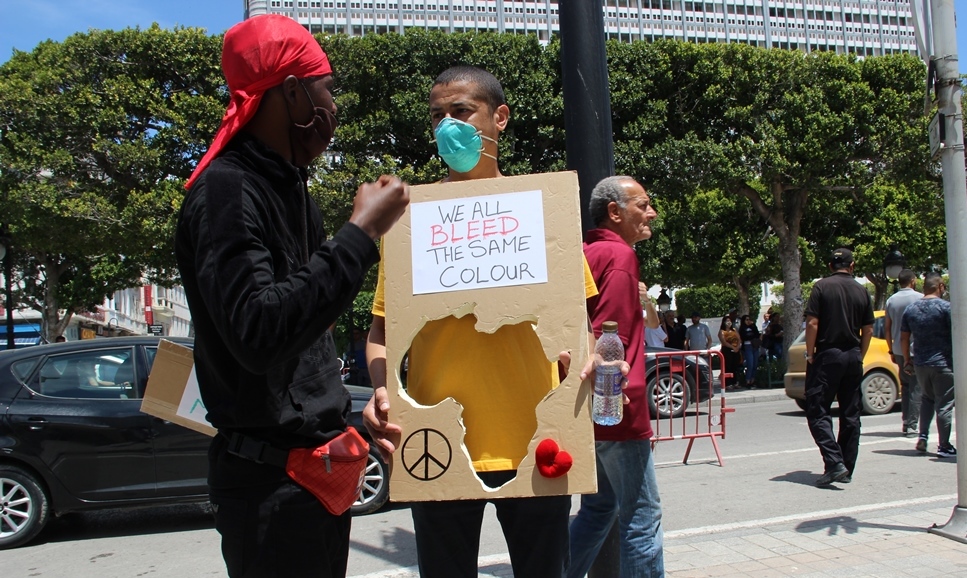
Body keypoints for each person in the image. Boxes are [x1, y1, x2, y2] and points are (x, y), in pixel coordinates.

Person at [174, 15, 409, 578]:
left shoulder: (292, 191)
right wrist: (359, 236)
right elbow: (259, 334)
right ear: (293, 91)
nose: (333, 105)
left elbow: (301, 338)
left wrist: (357, 410)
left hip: (314, 478)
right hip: (270, 491)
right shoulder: (227, 190)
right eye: (325, 87)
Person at [363, 65, 597, 578]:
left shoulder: (543, 213)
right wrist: (381, 390)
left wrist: (593, 362)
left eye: (461, 111)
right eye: (437, 115)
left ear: (500, 119)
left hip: (537, 442)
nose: (448, 125)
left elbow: (580, 324)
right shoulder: (410, 223)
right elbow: (382, 332)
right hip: (436, 442)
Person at [569, 175, 664, 578]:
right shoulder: (619, 257)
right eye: (642, 204)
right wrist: (612, 402)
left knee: (598, 507)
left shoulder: (584, 253)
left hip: (589, 403)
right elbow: (612, 334)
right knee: (642, 515)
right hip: (616, 405)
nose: (651, 213)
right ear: (615, 212)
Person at [804, 248, 874, 486]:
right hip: (852, 355)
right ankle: (846, 466)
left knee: (817, 409)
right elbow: (869, 330)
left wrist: (810, 353)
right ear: (852, 266)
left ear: (830, 265)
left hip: (827, 355)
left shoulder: (821, 287)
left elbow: (812, 323)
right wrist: (860, 355)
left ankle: (834, 462)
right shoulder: (862, 290)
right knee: (850, 414)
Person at [901, 272, 955, 458]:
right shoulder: (946, 308)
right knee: (944, 405)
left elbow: (904, 337)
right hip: (944, 363)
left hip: (921, 363)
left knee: (927, 399)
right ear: (940, 287)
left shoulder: (911, 309)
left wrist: (907, 359)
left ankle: (923, 435)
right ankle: (944, 445)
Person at [884, 269, 923, 437]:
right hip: (915, 349)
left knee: (905, 386)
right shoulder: (920, 298)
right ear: (913, 281)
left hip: (899, 349)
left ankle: (906, 421)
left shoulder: (891, 301)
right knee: (916, 387)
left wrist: (891, 348)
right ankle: (913, 426)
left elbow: (887, 328)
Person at [718, 317, 742, 390]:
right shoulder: (722, 331)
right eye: (727, 321)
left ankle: (735, 382)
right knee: (727, 367)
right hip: (727, 351)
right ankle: (728, 384)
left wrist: (737, 347)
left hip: (736, 351)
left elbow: (739, 339)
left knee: (735, 367)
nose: (729, 322)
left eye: (730, 320)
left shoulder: (734, 330)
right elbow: (724, 342)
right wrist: (732, 347)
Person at [738, 314, 761, 388]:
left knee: (755, 364)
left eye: (749, 319)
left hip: (754, 346)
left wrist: (753, 325)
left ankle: (752, 380)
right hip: (747, 346)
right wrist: (751, 336)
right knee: (750, 364)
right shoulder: (742, 328)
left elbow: (757, 334)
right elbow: (744, 337)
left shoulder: (752, 327)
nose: (748, 321)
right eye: (746, 320)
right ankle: (747, 380)